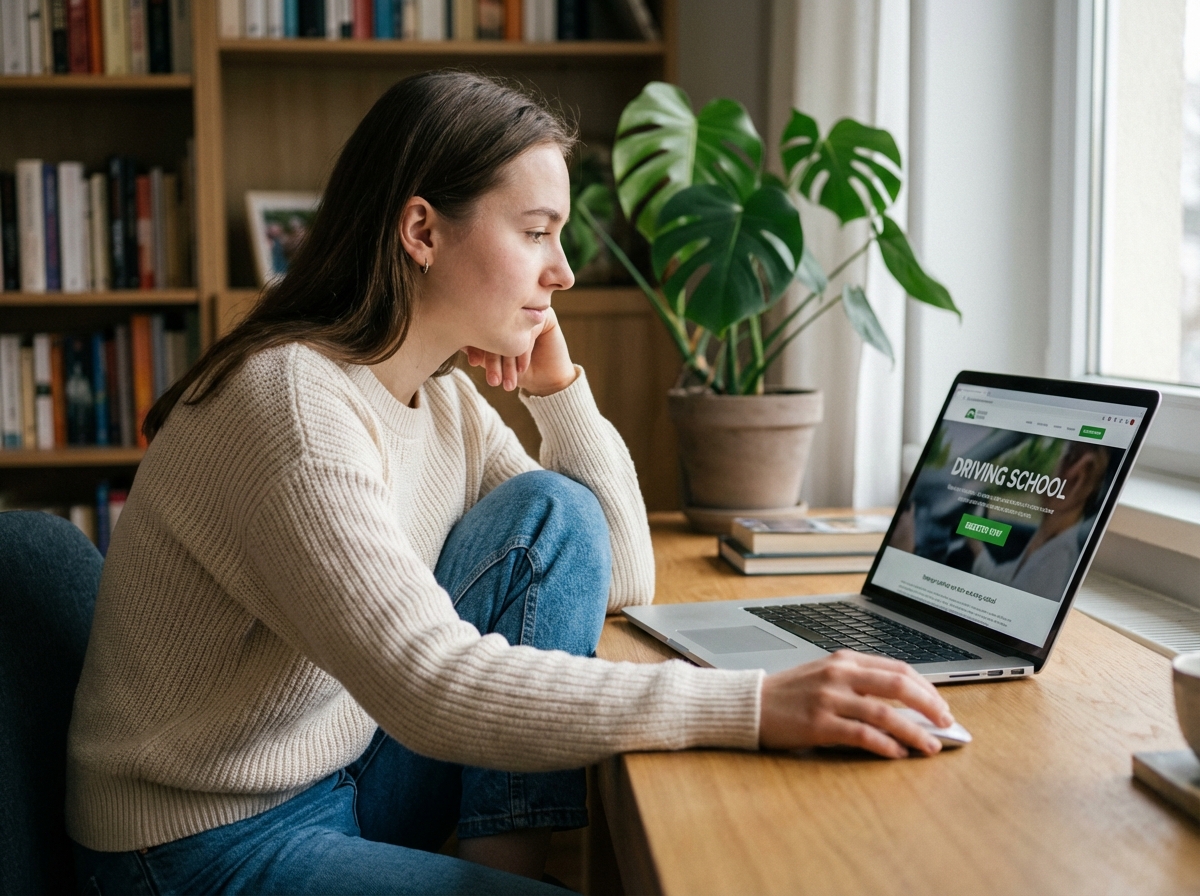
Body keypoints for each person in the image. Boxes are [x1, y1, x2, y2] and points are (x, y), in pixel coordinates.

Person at [65, 71, 954, 895]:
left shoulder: (439, 392)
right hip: (197, 841)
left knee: (554, 509)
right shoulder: (293, 404)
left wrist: (560, 396)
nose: (561, 271)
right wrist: (756, 704)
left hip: (339, 766)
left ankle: (510, 862)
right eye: (536, 234)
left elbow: (613, 570)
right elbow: (430, 683)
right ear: (421, 231)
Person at [968, 441, 1112, 601]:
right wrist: (975, 542)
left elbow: (1009, 604)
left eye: (1069, 456)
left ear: (1077, 479)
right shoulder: (1046, 543)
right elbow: (1009, 582)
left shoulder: (1057, 562)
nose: (1054, 465)